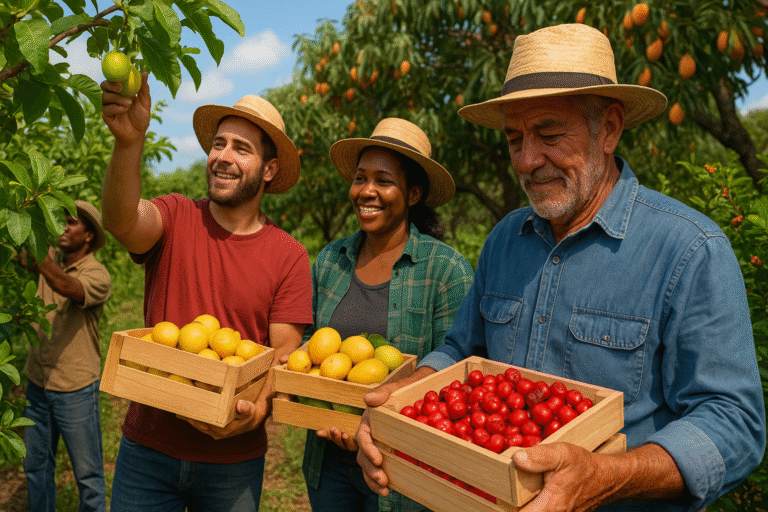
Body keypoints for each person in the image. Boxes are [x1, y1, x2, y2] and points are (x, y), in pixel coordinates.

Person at [356, 23, 766, 512]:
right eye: (514, 140)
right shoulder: (506, 239)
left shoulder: (688, 250)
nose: (528, 160)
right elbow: (461, 348)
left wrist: (608, 476)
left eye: (549, 134)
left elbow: (733, 421)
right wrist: (402, 397)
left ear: (609, 129)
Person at [100, 74, 313, 511]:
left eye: (242, 148)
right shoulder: (176, 216)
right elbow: (121, 222)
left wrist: (259, 410)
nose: (223, 157)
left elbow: (285, 356)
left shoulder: (289, 256)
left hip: (232, 461)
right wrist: (128, 143)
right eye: (219, 144)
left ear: (268, 170)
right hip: (149, 447)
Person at [300, 118, 474, 512]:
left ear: (413, 194)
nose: (367, 191)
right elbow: (311, 345)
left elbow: (456, 369)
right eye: (360, 178)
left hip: (405, 470)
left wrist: (377, 420)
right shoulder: (331, 261)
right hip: (328, 460)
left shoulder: (446, 271)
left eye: (383, 180)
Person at [22, 200, 112, 512]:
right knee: (36, 468)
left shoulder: (97, 274)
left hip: (74, 386)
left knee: (88, 476)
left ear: (89, 236)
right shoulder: (51, 263)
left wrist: (42, 261)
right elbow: (23, 254)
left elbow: (66, 286)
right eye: (60, 220)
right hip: (37, 381)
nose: (63, 227)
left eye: (72, 223)